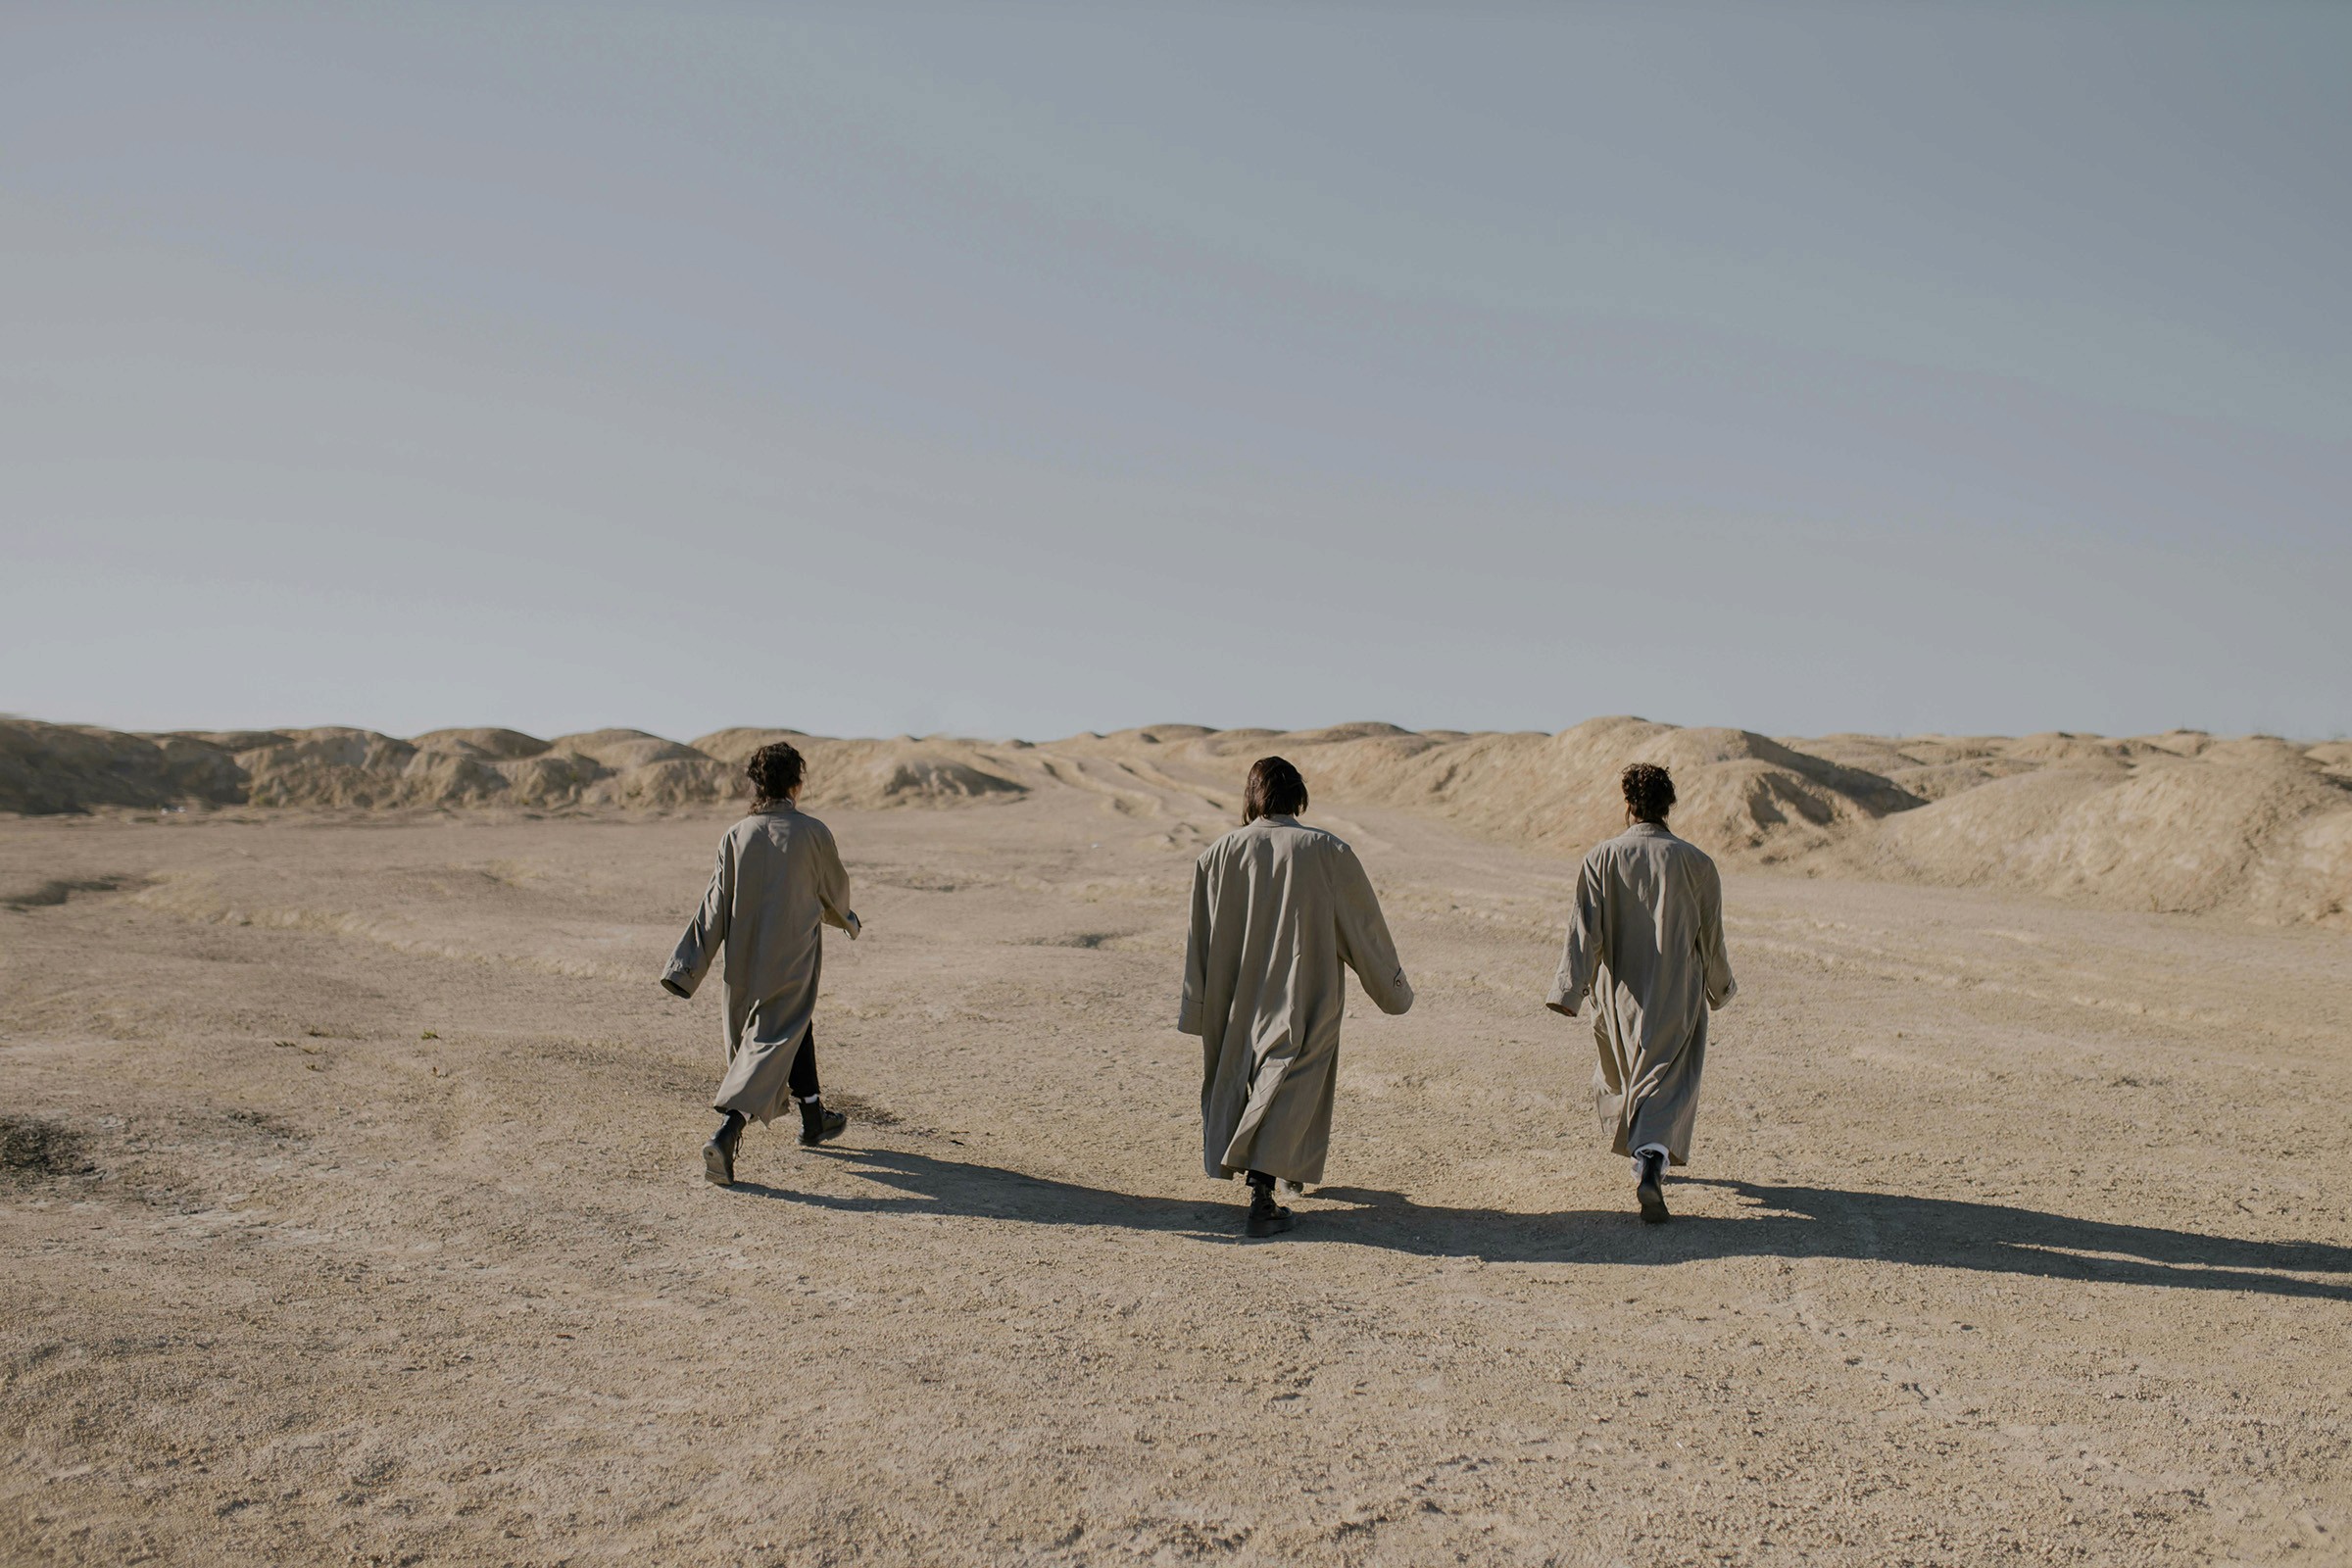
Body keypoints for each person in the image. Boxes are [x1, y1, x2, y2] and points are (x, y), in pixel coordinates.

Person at [1180, 757, 1414, 1237]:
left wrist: (1198, 1008)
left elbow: (1197, 939)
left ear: (1252, 796)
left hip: (1234, 1000)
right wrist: (1394, 991)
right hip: (1304, 992)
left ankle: (1280, 1176)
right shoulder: (1327, 850)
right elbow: (1364, 930)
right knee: (1295, 1078)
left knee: (1245, 1080)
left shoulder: (1217, 854)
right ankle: (1263, 1196)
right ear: (1298, 797)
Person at [660, 740, 860, 1187]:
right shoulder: (812, 832)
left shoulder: (735, 835)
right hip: (790, 960)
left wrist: (684, 968)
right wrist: (847, 920)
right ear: (796, 783)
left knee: (789, 1029)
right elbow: (833, 890)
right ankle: (727, 1133)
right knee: (767, 1047)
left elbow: (712, 907)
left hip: (743, 964)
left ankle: (813, 1116)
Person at [1546, 761, 1737, 1223]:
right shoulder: (1697, 863)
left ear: (1629, 805)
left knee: (1620, 1076)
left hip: (1617, 994)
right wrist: (1719, 987)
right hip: (1678, 992)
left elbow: (1583, 931)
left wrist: (1569, 991)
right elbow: (1710, 938)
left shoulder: (1601, 857)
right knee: (1666, 1079)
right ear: (1668, 806)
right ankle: (1651, 1158)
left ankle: (1645, 1155)